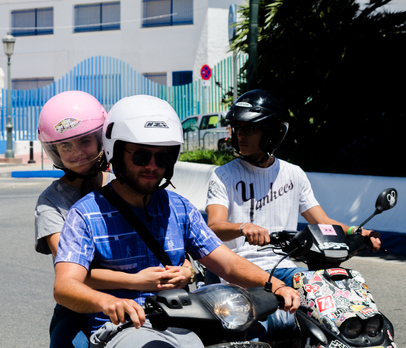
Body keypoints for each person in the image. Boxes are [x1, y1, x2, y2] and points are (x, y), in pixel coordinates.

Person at [53, 94, 300, 348]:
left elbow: (226, 262)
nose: (152, 166)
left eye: (162, 158)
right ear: (114, 151)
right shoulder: (86, 213)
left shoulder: (179, 208)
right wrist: (107, 302)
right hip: (122, 329)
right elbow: (65, 285)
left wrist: (276, 286)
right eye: (140, 156)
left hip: (183, 324)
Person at [205, 89, 381, 340]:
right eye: (238, 127)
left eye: (250, 128)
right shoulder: (224, 175)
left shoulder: (293, 174)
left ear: (271, 132)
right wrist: (243, 227)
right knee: (255, 332)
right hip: (240, 272)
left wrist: (358, 231)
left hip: (284, 266)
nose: (240, 135)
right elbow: (214, 225)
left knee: (329, 295)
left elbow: (322, 221)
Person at [35, 91, 192, 348]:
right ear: (54, 151)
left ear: (103, 139)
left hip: (151, 300)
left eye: (85, 140)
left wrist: (186, 269)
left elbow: (172, 240)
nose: (78, 153)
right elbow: (73, 274)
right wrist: (136, 280)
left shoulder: (130, 181)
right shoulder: (51, 202)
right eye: (65, 146)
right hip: (85, 302)